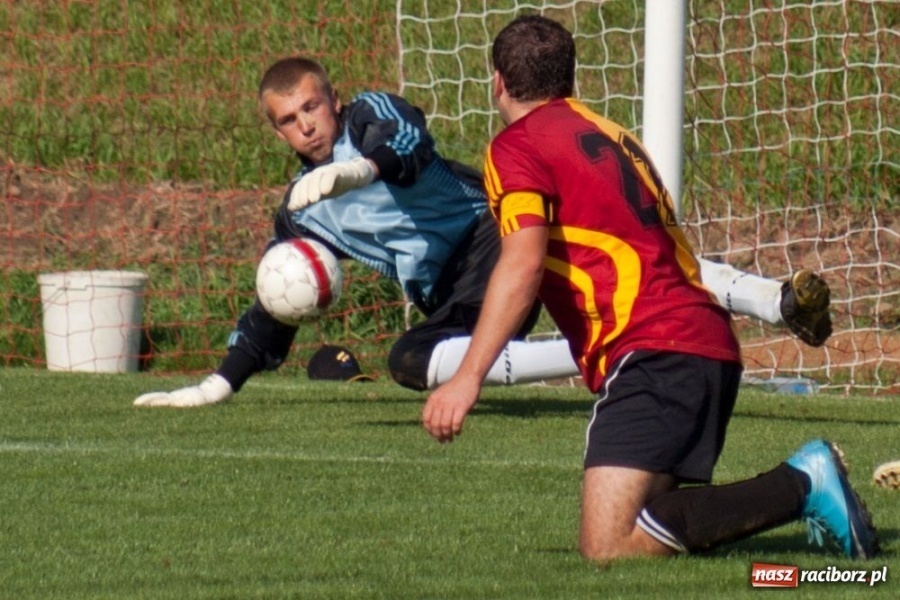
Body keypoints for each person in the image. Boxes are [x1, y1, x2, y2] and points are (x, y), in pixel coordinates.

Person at [422, 15, 877, 560]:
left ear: (497, 81)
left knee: (608, 545)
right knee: (647, 525)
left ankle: (803, 483)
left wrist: (466, 378)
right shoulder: (610, 134)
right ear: (570, 78)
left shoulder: (516, 147)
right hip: (699, 341)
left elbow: (523, 264)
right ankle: (801, 489)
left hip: (655, 350)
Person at [134, 56, 832, 408]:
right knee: (409, 362)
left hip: (492, 230)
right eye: (289, 120)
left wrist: (354, 172)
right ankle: (584, 353)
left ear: (333, 99)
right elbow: (273, 306)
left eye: (312, 107)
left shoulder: (369, 117)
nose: (306, 124)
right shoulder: (300, 211)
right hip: (456, 294)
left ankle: (775, 301)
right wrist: (216, 386)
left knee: (620, 262)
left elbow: (409, 144)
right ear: (277, 130)